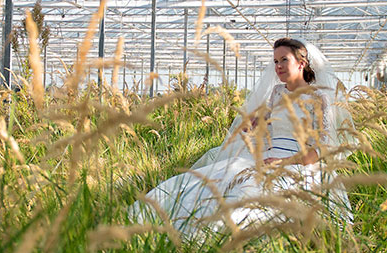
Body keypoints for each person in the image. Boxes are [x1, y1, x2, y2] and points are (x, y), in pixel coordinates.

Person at [132, 38, 353, 233]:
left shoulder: (320, 97)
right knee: (205, 184)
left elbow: (323, 148)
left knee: (244, 198)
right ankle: (156, 223)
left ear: (301, 63)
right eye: (275, 61)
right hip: (265, 157)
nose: (277, 66)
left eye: (283, 60)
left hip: (298, 163)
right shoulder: (277, 92)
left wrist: (283, 162)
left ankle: (210, 235)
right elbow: (270, 126)